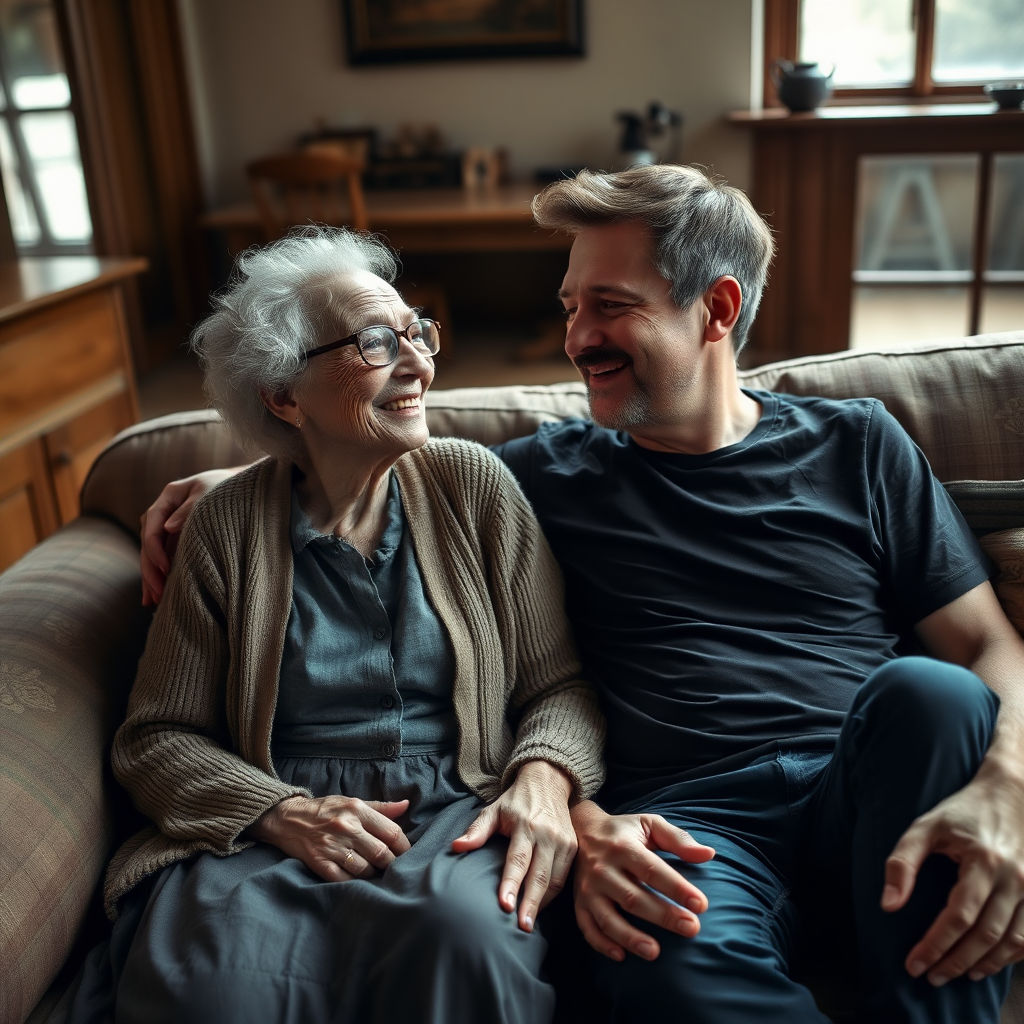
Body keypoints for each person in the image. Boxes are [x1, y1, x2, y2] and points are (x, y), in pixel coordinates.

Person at [141, 167, 1024, 1024]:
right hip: (694, 830)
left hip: (867, 781)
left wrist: (1010, 783)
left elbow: (987, 646)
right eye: (571, 307)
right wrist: (246, 470)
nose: (576, 339)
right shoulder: (535, 476)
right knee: (658, 959)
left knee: (934, 691)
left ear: (716, 309)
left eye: (612, 306)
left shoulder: (860, 443)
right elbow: (372, 457)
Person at [66, 226, 605, 1024]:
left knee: (468, 949)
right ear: (284, 396)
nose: (419, 361)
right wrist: (277, 812)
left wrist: (541, 779)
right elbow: (157, 738)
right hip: (269, 824)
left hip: (457, 810)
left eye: (417, 331)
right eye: (378, 342)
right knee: (212, 991)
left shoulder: (473, 485)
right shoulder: (226, 527)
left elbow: (559, 687)